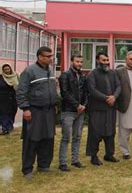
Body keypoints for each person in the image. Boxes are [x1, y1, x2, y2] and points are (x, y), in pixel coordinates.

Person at [16, 47, 57, 178]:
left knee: (48, 138)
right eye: (48, 56)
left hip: (49, 111)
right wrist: (25, 108)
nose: (51, 58)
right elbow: (21, 91)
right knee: (32, 140)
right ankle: (27, 169)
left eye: (51, 56)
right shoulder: (29, 71)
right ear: (40, 57)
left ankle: (44, 165)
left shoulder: (50, 70)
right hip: (34, 111)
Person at [86, 52, 121, 165]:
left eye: (107, 60)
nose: (106, 62)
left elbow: (118, 86)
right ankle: (94, 156)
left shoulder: (113, 73)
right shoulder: (92, 74)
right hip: (97, 108)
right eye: (103, 60)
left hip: (111, 108)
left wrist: (114, 96)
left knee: (110, 132)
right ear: (97, 61)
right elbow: (92, 90)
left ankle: (109, 154)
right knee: (95, 133)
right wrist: (107, 98)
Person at [58, 54, 88, 171]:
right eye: (77, 61)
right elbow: (64, 93)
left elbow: (86, 92)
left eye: (81, 62)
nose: (79, 64)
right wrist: (77, 105)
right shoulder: (65, 75)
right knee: (66, 137)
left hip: (80, 111)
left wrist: (84, 105)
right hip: (68, 111)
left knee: (77, 136)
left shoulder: (83, 76)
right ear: (71, 62)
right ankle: (63, 163)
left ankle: (75, 160)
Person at [0, 63, 19, 135]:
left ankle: (10, 126)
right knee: (3, 113)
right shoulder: (1, 77)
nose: (7, 71)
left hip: (13, 98)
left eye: (8, 69)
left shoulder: (15, 76)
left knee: (12, 112)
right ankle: (5, 128)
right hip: (2, 99)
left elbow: (19, 86)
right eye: (5, 70)